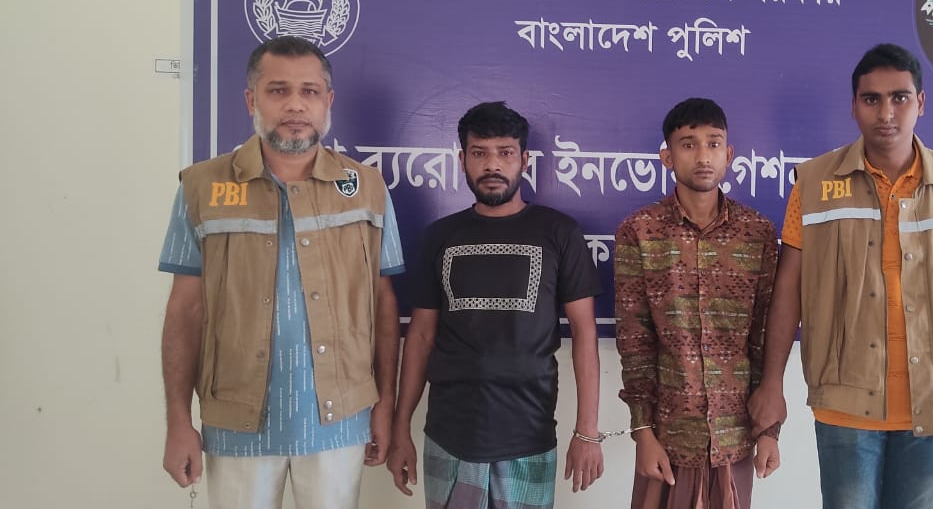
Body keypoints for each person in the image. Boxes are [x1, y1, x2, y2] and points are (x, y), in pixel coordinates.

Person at [159, 36, 405, 509]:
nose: (295, 105)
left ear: (328, 101)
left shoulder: (367, 187)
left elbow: (384, 304)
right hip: (236, 419)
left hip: (341, 417)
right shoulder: (202, 186)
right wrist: (177, 420)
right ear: (251, 100)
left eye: (309, 91)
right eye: (278, 91)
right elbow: (185, 310)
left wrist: (386, 408)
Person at [748, 43, 933, 509]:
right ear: (854, 106)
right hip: (845, 406)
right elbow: (789, 290)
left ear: (921, 103)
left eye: (900, 97)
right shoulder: (815, 184)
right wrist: (772, 382)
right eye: (872, 99)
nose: (886, 112)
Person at [386, 101, 604, 509]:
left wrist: (587, 432)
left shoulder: (559, 233)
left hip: (529, 438)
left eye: (505, 152)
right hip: (449, 437)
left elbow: (585, 333)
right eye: (479, 153)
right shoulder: (439, 237)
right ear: (462, 160)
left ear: (524, 159)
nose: (492, 165)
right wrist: (401, 431)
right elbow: (421, 336)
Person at [615, 98, 781, 509]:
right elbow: (635, 340)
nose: (703, 156)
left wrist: (769, 431)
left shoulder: (757, 233)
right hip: (668, 437)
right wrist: (642, 432)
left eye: (713, 143)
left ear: (729, 154)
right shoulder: (640, 232)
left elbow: (765, 335)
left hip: (735, 436)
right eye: (688, 144)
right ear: (667, 157)